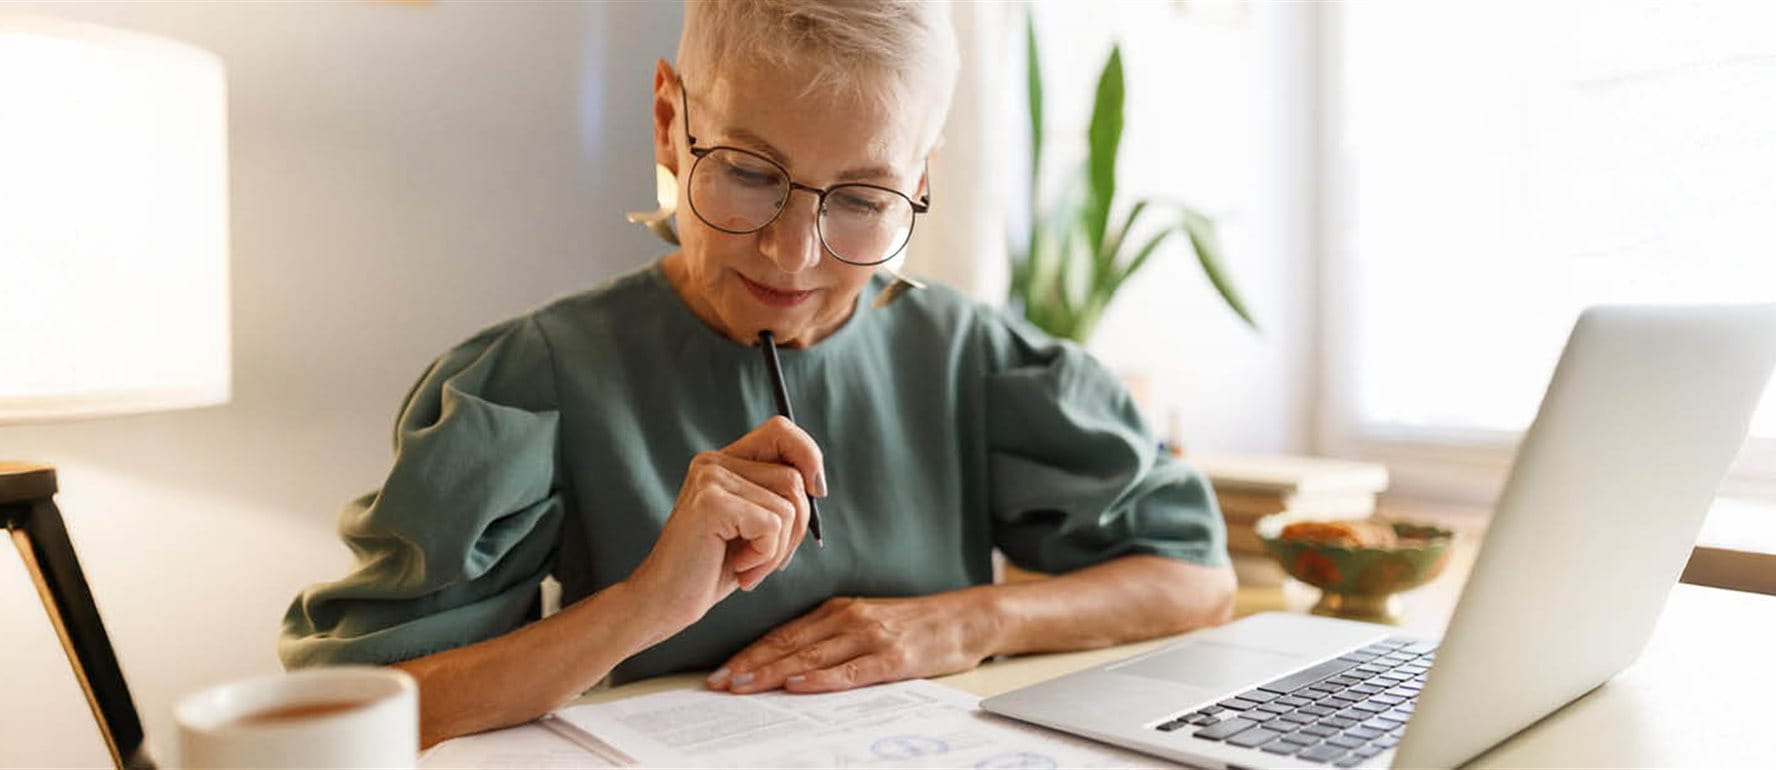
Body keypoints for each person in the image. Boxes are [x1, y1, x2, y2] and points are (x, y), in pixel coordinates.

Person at [280, 0, 1234, 748]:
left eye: (863, 197)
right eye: (746, 170)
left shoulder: (975, 360)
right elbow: (353, 710)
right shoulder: (533, 380)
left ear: (921, 182)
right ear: (667, 122)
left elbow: (1195, 579)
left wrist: (961, 622)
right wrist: (647, 603)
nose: (790, 254)